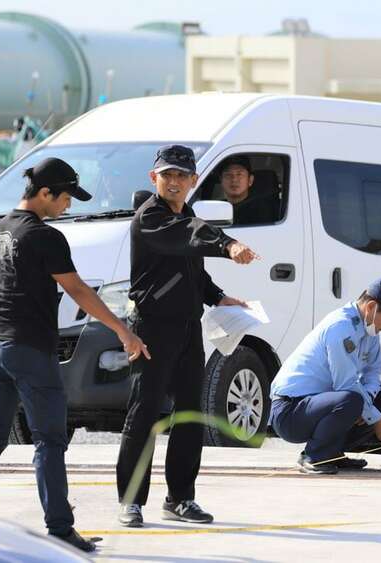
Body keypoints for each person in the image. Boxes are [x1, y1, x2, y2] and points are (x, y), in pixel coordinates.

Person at [0, 157, 149, 552]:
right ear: (45, 193)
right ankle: (60, 530)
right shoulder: (45, 237)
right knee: (49, 439)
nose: (68, 206)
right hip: (28, 347)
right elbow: (78, 290)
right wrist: (123, 331)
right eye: (65, 198)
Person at [115, 144, 258, 528]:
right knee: (144, 413)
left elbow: (192, 270)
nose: (174, 182)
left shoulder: (187, 212)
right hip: (153, 329)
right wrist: (228, 244)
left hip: (187, 328)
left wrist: (218, 297)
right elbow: (189, 235)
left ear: (193, 181)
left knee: (190, 414)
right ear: (154, 178)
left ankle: (180, 498)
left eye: (181, 176)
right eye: (168, 175)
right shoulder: (151, 217)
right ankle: (131, 500)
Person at [269, 278, 381, 475]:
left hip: (318, 405)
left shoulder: (371, 332)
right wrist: (375, 419)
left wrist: (368, 402)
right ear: (371, 307)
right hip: (291, 411)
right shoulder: (340, 327)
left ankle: (333, 453)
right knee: (352, 400)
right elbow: (346, 383)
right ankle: (314, 456)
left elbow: (374, 371)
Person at [218, 158, 278, 225]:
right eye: (228, 175)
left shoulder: (261, 210)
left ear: (250, 180)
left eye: (239, 174)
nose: (234, 179)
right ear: (221, 181)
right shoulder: (216, 208)